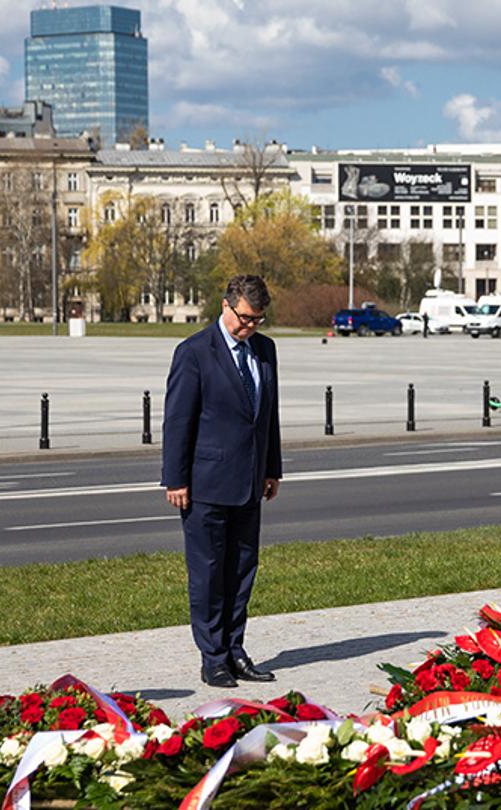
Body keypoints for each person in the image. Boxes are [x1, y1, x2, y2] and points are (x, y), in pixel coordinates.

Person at [163, 275, 283, 688]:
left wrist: (272, 467)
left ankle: (235, 650)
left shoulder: (265, 350)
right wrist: (175, 479)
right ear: (226, 305)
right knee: (209, 574)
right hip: (205, 484)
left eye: (258, 320)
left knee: (242, 571)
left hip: (249, 482)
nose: (250, 327)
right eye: (246, 318)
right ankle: (212, 656)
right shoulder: (195, 352)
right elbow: (178, 421)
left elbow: (268, 416)